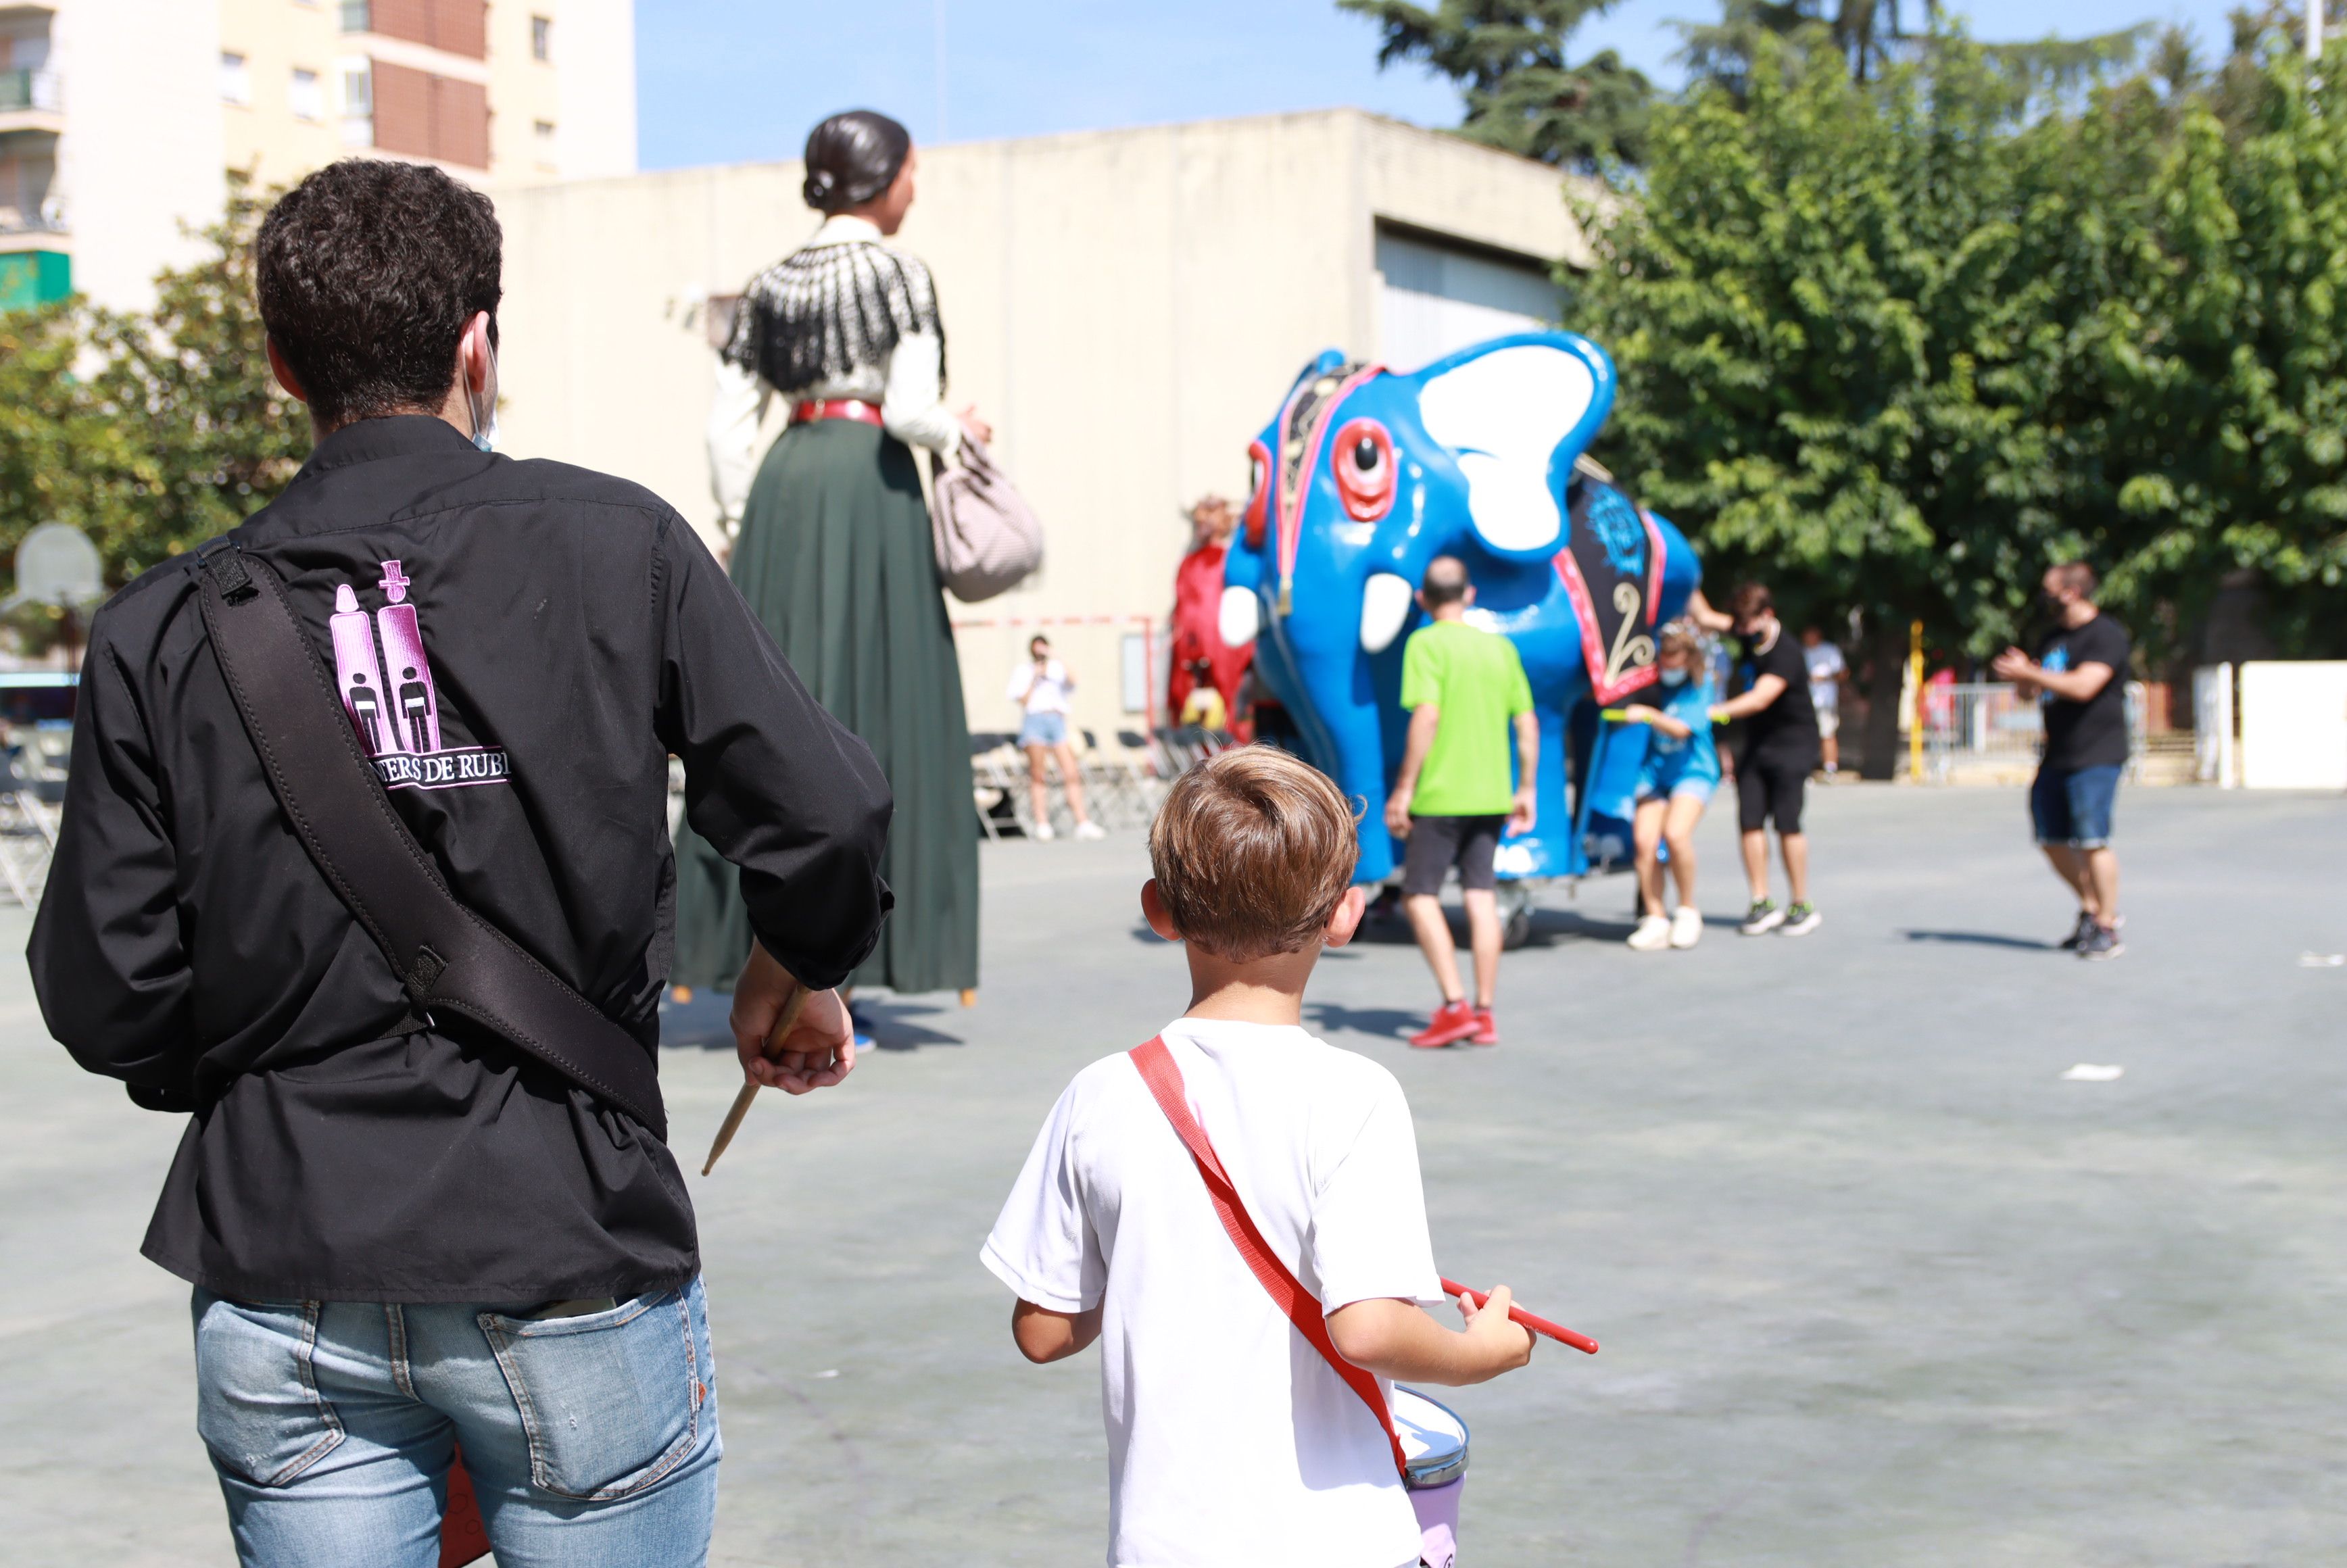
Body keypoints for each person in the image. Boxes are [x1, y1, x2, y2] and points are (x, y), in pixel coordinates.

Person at [27, 160, 891, 1567]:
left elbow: (104, 984)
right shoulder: (622, 545)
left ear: (279, 360)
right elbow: (829, 811)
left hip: (286, 1240)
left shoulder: (161, 625)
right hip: (563, 1236)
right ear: (477, 339)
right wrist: (788, 974)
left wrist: (267, 1063)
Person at [981, 748, 1535, 1568]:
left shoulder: (1099, 1095)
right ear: (1343, 915)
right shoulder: (1356, 1093)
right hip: (1335, 1540)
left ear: (1159, 910)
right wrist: (1477, 1356)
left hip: (1161, 1542)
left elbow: (1043, 1328)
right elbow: (1370, 1325)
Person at [677, 108, 986, 1004]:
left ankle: (724, 945)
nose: (916, 187)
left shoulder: (771, 283)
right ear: (885, 178)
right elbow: (910, 409)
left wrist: (742, 517)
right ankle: (875, 957)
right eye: (912, 171)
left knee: (765, 708)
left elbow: (727, 426)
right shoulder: (901, 274)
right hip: (871, 485)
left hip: (787, 484)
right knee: (884, 703)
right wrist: (960, 436)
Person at [1383, 557, 1538, 1048]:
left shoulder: (1424, 643)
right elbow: (1527, 724)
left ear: (1422, 599)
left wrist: (1404, 788)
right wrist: (1527, 788)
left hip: (1441, 794)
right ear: (1469, 594)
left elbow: (1426, 716)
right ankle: (1485, 1012)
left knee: (1419, 895)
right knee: (1481, 896)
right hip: (1493, 794)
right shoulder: (1500, 648)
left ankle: (1454, 1007)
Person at [1992, 561, 2131, 960]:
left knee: (2091, 840)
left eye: (2049, 589)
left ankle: (2107, 924)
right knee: (2051, 839)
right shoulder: (2052, 638)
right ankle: (2091, 906)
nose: (2043, 597)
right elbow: (2030, 693)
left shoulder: (2105, 635)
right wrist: (2022, 676)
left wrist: (2033, 674)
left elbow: (2085, 686)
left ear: (2071, 592)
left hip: (2097, 752)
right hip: (2057, 753)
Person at [1709, 583, 1822, 936]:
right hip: (1757, 746)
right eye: (1739, 626)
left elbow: (1760, 699)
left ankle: (1801, 903)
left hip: (1794, 745)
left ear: (1768, 616)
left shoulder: (1785, 651)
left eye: (1748, 626)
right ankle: (1761, 901)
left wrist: (1715, 712)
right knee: (1750, 821)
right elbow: (1705, 616)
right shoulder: (1748, 635)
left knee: (1787, 822)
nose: (1741, 633)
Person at [1617, 623, 1721, 951]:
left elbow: (1680, 729)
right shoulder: (1652, 684)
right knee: (1645, 842)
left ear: (1689, 659)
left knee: (1676, 835)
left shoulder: (1701, 687)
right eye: (1665, 658)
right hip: (1654, 775)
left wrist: (1647, 715)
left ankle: (1688, 910)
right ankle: (1655, 916)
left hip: (1693, 772)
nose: (1669, 665)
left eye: (1675, 658)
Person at [1167, 493, 1252, 737]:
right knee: (1189, 697)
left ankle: (1233, 746)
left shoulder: (1228, 560)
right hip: (1192, 640)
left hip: (1223, 640)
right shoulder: (1190, 563)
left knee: (1231, 693)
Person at [1007, 633, 1104, 841]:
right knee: (1038, 774)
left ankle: (1082, 821)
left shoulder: (1057, 668)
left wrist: (1054, 656)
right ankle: (1042, 823)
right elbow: (1022, 700)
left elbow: (1073, 679)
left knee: (1071, 772)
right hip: (1035, 721)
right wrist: (1035, 677)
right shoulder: (1024, 671)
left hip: (1057, 721)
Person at [1801, 624, 1846, 777]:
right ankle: (1806, 768)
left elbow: (1842, 673)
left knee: (1827, 734)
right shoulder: (1802, 652)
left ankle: (1830, 768)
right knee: (1805, 736)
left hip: (1826, 701)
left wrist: (1824, 678)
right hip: (1806, 701)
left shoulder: (1830, 651)